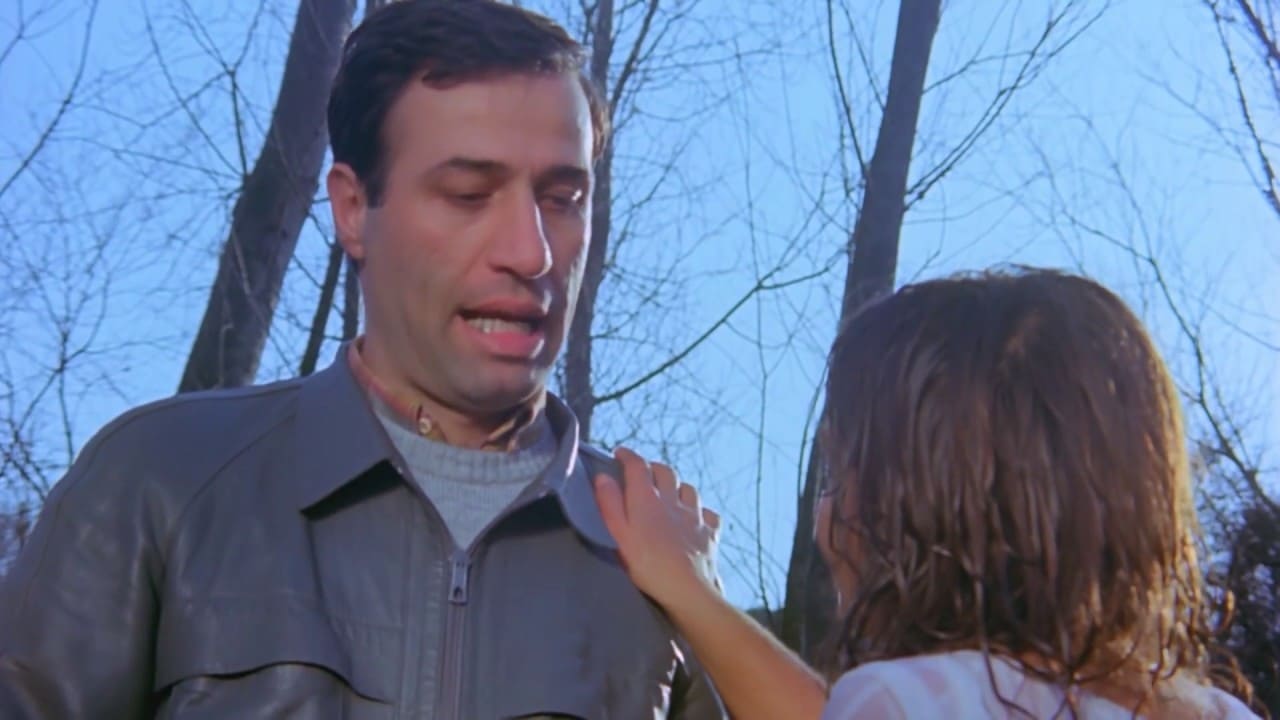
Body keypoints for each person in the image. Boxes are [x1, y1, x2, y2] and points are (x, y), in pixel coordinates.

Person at [0, 2, 725, 718]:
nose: (530, 252)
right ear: (351, 210)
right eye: (469, 195)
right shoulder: (162, 476)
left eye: (563, 199)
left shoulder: (656, 557)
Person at [595, 268, 1261, 719]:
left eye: (837, 477)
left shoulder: (900, 699)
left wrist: (687, 591)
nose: (824, 519)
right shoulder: (1220, 712)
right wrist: (694, 595)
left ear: (899, 513)